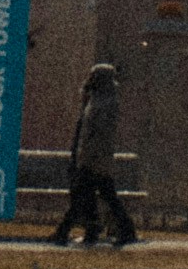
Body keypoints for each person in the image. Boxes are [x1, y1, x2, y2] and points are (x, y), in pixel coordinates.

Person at [54, 59, 133, 249]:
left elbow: (99, 134)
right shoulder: (96, 99)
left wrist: (89, 158)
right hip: (93, 158)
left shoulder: (106, 102)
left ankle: (64, 232)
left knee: (82, 196)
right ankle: (116, 230)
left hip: (95, 159)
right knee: (101, 195)